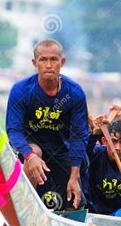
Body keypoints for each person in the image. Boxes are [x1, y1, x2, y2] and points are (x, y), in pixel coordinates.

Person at [6, 39, 88, 210]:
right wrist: (29, 155)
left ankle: (68, 222)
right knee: (35, 152)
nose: (48, 65)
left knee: (75, 200)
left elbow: (79, 137)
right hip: (28, 146)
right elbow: (13, 130)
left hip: (60, 148)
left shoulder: (75, 92)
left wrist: (74, 176)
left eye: (53, 59)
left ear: (62, 62)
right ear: (34, 63)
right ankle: (25, 209)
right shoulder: (21, 90)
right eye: (43, 60)